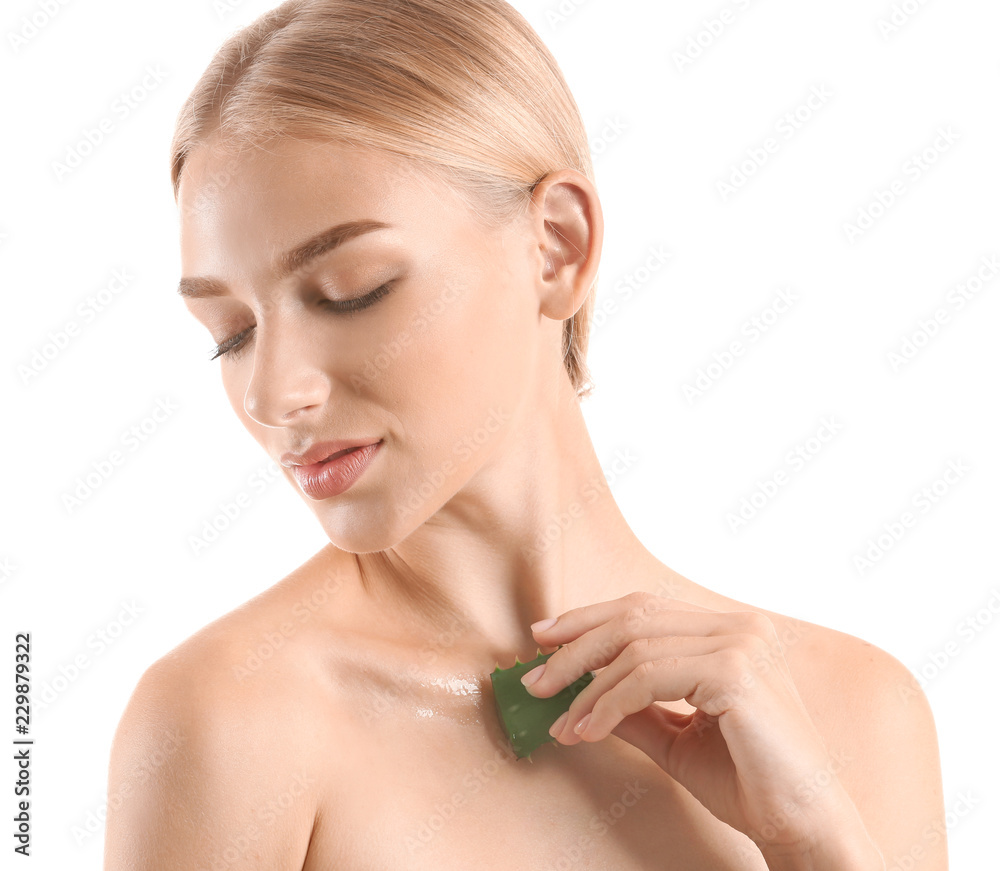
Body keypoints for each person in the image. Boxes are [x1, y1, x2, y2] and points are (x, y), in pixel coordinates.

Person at [104, 1, 946, 868]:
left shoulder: (854, 712)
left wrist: (816, 841)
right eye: (231, 333)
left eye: (352, 289)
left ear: (555, 247)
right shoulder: (228, 723)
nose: (275, 392)